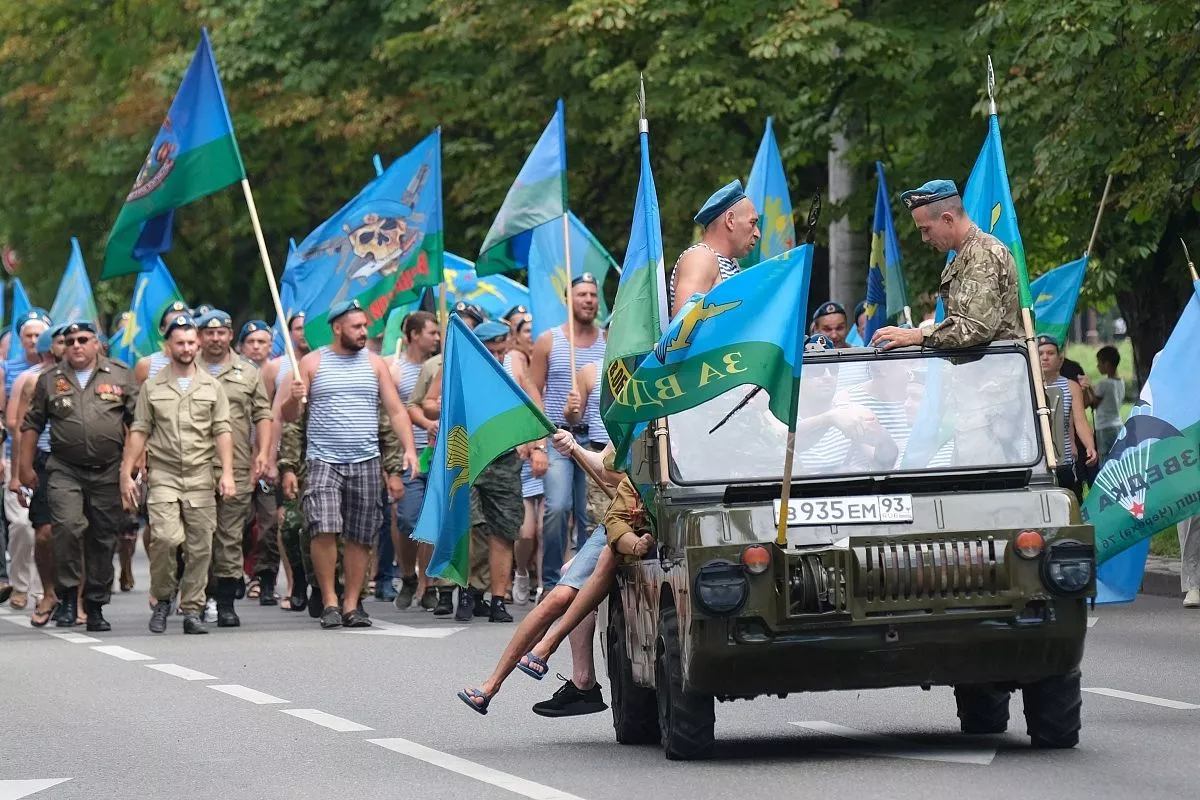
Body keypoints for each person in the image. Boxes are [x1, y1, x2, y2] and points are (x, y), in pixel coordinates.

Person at [458, 429, 628, 716]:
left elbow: (618, 477)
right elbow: (606, 470)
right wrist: (574, 447)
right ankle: (491, 686)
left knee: (566, 588)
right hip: (620, 520)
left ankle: (551, 654)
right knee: (559, 592)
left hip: (647, 524)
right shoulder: (632, 415)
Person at [279, 299, 420, 629]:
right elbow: (289, 418)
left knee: (361, 534)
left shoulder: (375, 364)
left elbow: (396, 411)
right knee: (323, 527)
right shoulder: (312, 364)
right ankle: (328, 599)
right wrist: (291, 397)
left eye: (364, 326)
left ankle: (351, 604)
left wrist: (408, 452)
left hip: (366, 460)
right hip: (322, 460)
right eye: (356, 326)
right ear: (337, 328)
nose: (363, 331)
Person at [120, 315, 236, 635]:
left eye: (190, 342)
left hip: (201, 474)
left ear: (197, 344)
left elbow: (223, 430)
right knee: (166, 538)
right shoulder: (153, 386)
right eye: (179, 343)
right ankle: (162, 599)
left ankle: (193, 610)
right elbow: (140, 429)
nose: (185, 348)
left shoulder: (213, 387)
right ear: (168, 346)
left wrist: (227, 473)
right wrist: (127, 472)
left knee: (200, 547)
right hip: (164, 473)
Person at [871, 179, 1022, 350]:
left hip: (1000, 370)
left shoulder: (984, 254)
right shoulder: (960, 259)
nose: (925, 238)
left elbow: (976, 328)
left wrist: (917, 335)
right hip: (982, 371)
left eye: (926, 229)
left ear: (948, 219)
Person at [527, 274, 606, 597]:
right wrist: (537, 441)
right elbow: (532, 386)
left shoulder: (607, 340)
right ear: (568, 300)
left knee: (588, 512)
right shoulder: (549, 340)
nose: (588, 300)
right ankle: (549, 582)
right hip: (558, 437)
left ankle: (581, 580)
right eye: (581, 294)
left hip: (595, 440)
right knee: (558, 507)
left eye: (593, 294)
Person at [196, 310, 272, 627]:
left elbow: (263, 415)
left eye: (222, 333)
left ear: (230, 336)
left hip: (237, 466)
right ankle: (200, 597)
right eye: (209, 333)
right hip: (193, 466)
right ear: (200, 336)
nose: (215, 338)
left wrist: (263, 453)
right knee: (198, 537)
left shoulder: (248, 372)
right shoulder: (185, 368)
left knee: (229, 536)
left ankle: (225, 602)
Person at [457, 321, 525, 623]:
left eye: (501, 351)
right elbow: (431, 404)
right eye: (492, 351)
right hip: (470, 456)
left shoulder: (512, 374)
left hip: (505, 460)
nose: (497, 358)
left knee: (504, 529)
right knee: (470, 527)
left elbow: (532, 407)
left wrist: (531, 443)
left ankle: (498, 599)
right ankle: (467, 591)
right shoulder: (461, 373)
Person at [9, 324, 66, 626]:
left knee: (77, 531)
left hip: (81, 463)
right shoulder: (34, 381)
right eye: (59, 342)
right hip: (44, 463)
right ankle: (49, 592)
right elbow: (22, 428)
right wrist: (20, 473)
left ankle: (78, 599)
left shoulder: (97, 378)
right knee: (44, 533)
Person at [388, 310, 440, 611]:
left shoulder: (442, 366)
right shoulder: (395, 371)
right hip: (408, 457)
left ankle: (428, 584)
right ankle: (408, 575)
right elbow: (391, 415)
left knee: (431, 520)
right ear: (414, 334)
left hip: (438, 456)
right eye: (431, 332)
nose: (436, 337)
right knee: (407, 518)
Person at [4, 308, 51, 611]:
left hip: (53, 462)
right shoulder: (14, 373)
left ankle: (41, 589)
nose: (34, 340)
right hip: (17, 456)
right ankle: (19, 584)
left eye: (39, 335)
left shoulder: (62, 372)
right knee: (21, 525)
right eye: (28, 335)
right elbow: (12, 422)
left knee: (46, 528)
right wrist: (18, 469)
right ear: (20, 338)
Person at [670, 179, 759, 315]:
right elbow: (682, 329)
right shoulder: (701, 257)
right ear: (730, 220)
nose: (757, 233)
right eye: (752, 223)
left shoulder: (730, 263)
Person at [505, 309, 543, 605]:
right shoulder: (513, 361)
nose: (531, 334)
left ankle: (546, 584)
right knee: (526, 531)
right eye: (525, 329)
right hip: (521, 452)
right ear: (514, 336)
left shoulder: (555, 358)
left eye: (535, 329)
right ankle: (520, 573)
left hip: (549, 449)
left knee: (551, 525)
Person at [1037, 335, 1097, 498]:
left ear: (1060, 359)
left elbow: (1080, 421)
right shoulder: (1025, 385)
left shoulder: (1071, 386)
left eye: (1050, 353)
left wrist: (1089, 446)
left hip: (1064, 461)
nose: (1045, 357)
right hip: (1034, 462)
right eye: (1040, 353)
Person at [133, 301, 193, 383]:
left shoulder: (200, 363)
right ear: (162, 329)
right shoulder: (146, 365)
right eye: (173, 326)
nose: (179, 330)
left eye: (185, 326)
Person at [1089, 345, 1125, 462]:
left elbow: (1094, 403)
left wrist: (1088, 387)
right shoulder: (1121, 382)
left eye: (1099, 363)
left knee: (1105, 458)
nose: (1098, 366)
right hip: (1117, 424)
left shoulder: (1104, 384)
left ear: (1107, 364)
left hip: (1104, 427)